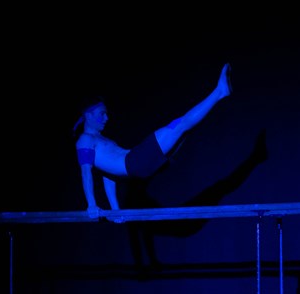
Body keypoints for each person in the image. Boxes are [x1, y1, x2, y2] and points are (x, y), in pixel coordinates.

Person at [74, 62, 233, 219]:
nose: (107, 118)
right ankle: (219, 92)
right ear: (88, 115)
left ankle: (219, 93)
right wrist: (91, 204)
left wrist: (115, 210)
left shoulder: (101, 139)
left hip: (138, 165)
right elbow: (86, 172)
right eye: (102, 114)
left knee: (185, 130)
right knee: (179, 125)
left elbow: (108, 175)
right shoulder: (85, 139)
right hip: (135, 162)